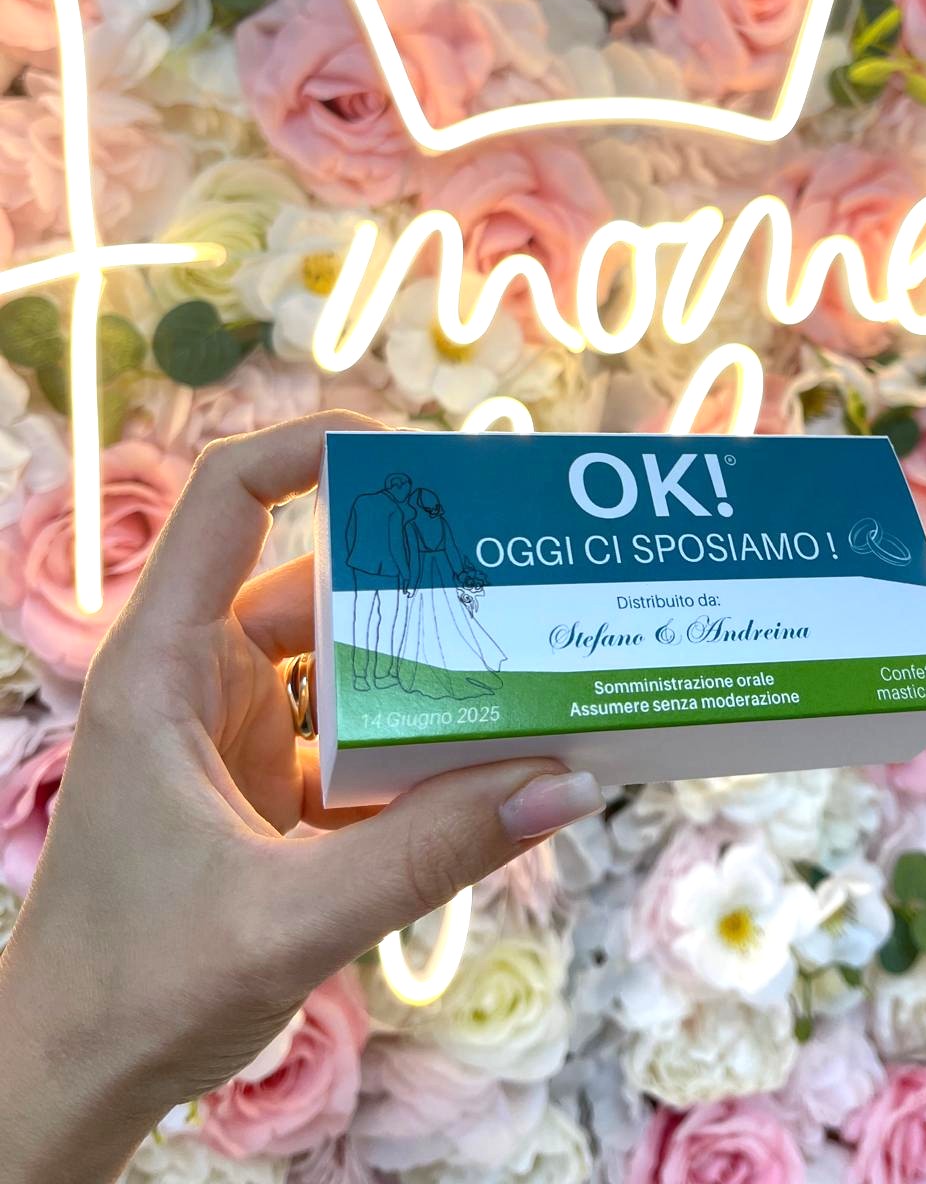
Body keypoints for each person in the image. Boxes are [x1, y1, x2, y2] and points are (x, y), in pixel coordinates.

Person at [0, 412, 604, 1184]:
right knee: (389, 637)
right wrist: (72, 1051)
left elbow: (415, 549)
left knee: (404, 637)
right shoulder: (378, 509)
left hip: (404, 596)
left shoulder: (407, 512)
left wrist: (67, 1061)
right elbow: (364, 543)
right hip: (383, 595)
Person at [396, 486, 507, 701]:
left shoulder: (411, 526)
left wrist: (412, 584)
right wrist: (459, 574)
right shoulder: (441, 523)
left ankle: (433, 664)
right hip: (444, 570)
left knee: (425, 619)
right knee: (452, 617)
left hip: (426, 574)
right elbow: (453, 550)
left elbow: (415, 560)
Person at [344, 468, 417, 689]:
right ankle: (381, 675)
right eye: (406, 490)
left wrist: (355, 556)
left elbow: (350, 532)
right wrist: (406, 574)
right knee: (387, 622)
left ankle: (359, 677)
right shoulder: (395, 510)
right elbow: (396, 546)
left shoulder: (361, 501)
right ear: (396, 487)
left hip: (360, 567)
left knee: (361, 621)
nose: (407, 494)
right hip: (388, 572)